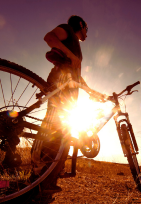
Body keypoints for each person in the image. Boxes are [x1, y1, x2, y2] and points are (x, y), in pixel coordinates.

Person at [31, 15, 100, 190]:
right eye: (86, 28)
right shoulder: (67, 30)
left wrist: (90, 91)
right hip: (59, 85)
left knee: (62, 131)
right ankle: (37, 173)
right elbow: (50, 38)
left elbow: (75, 72)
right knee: (51, 126)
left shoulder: (75, 44)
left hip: (69, 92)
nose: (87, 33)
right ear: (81, 25)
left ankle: (50, 174)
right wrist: (70, 54)